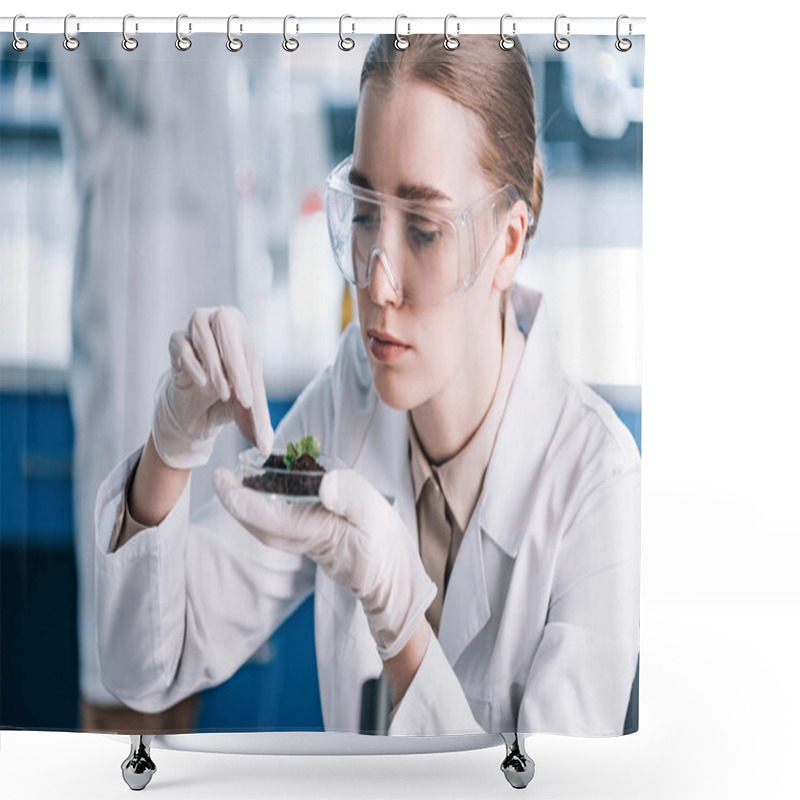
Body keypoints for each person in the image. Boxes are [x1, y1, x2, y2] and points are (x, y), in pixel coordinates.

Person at [94, 34, 640, 738]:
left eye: (424, 229)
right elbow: (148, 666)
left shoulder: (597, 485)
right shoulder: (345, 403)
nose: (375, 284)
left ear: (507, 244)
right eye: (362, 213)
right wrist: (169, 450)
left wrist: (401, 620)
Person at [53, 33, 244, 733]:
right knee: (123, 656)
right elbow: (151, 84)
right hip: (134, 287)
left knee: (181, 642)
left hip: (196, 258)